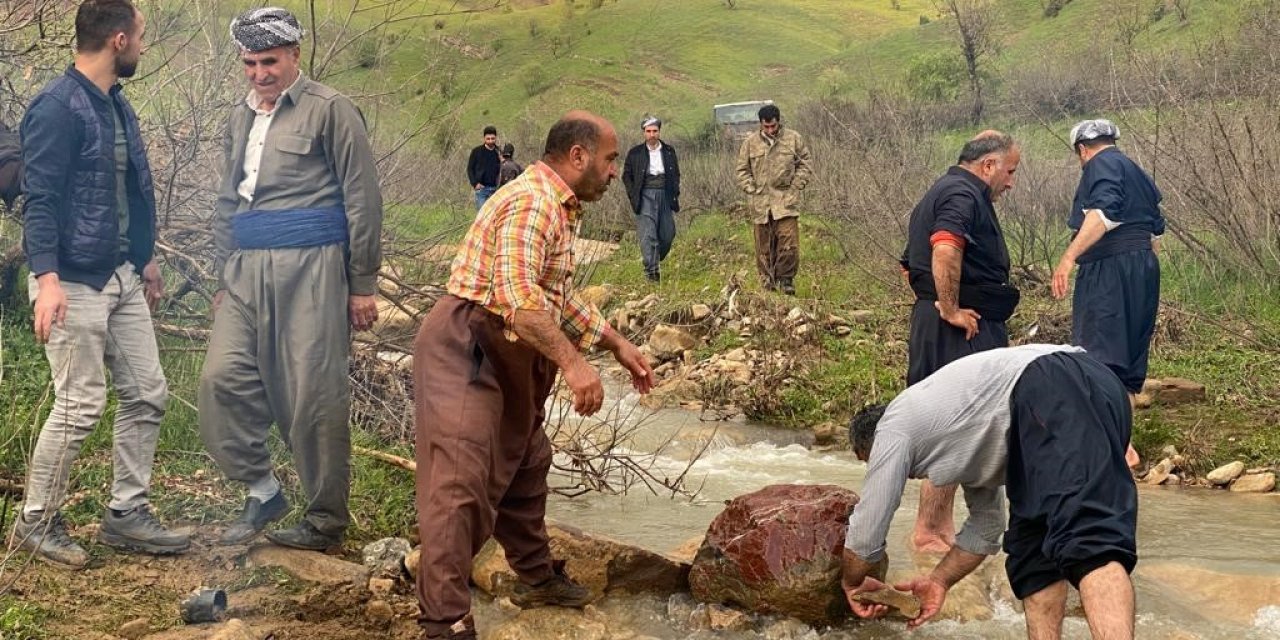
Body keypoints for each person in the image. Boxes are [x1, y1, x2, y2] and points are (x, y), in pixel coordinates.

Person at [412, 111, 655, 640]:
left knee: (526, 459)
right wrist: (573, 363)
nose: (615, 172)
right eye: (611, 159)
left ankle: (536, 577)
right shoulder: (533, 202)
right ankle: (444, 622)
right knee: (460, 483)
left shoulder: (560, 206)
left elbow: (554, 300)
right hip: (471, 342)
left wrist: (616, 343)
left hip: (506, 342)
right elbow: (519, 300)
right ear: (578, 156)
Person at [10, 0, 189, 568]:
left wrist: (147, 258)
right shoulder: (56, 107)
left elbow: (132, 190)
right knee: (81, 402)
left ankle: (126, 513)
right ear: (117, 40)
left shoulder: (116, 105)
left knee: (148, 392)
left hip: (122, 275)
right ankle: (35, 520)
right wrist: (47, 277)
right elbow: (39, 199)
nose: (142, 44)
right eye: (138, 35)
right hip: (72, 280)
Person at [199, 6, 383, 552]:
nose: (260, 74)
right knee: (219, 381)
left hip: (313, 265)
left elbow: (362, 198)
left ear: (294, 56)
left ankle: (326, 521)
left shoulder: (332, 110)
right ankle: (260, 488)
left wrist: (363, 282)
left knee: (313, 395)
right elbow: (227, 198)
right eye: (250, 63)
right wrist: (221, 273)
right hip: (245, 270)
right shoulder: (240, 116)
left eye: (270, 61)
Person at [841, 345, 1138, 639]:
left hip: (1056, 383)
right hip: (1063, 397)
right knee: (1034, 560)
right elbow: (986, 528)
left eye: (871, 461)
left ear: (869, 445)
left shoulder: (893, 424)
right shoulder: (957, 436)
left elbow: (869, 526)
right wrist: (939, 581)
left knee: (1088, 541)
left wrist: (852, 582)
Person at [899, 130, 1021, 554]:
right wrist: (949, 308)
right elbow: (945, 250)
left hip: (946, 321)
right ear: (988, 165)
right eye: (1009, 171)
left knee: (954, 423)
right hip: (958, 325)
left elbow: (906, 266)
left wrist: (934, 304)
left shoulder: (941, 190)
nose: (1011, 182)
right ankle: (931, 531)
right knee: (954, 425)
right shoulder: (962, 195)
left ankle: (938, 528)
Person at [1052, 119, 1164, 469]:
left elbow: (1103, 213)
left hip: (1109, 270)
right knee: (1127, 366)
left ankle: (1108, 449)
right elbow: (1155, 233)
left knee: (1098, 358)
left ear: (1082, 151)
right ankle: (1123, 443)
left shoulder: (1100, 164)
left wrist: (1068, 259)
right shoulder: (1138, 173)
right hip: (1143, 267)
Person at [735, 104, 811, 295]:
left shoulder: (793, 139)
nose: (770, 130)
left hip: (785, 200)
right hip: (760, 203)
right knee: (764, 245)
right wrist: (750, 187)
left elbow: (805, 162)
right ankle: (767, 282)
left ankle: (786, 281)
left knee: (788, 242)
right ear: (760, 124)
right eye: (766, 127)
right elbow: (742, 169)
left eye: (773, 126)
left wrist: (796, 186)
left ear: (778, 122)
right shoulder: (750, 143)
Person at [622, 116, 681, 283]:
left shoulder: (669, 151)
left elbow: (675, 173)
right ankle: (652, 272)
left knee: (668, 234)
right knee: (648, 235)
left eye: (655, 131)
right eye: (648, 131)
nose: (652, 134)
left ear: (659, 132)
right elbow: (627, 176)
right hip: (645, 194)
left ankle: (654, 258)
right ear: (644, 133)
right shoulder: (635, 153)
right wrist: (634, 195)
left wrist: (675, 191)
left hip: (665, 193)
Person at [466, 125, 501, 210]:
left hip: (496, 190)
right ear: (484, 138)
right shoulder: (476, 152)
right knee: (482, 217)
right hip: (482, 190)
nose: (490, 141)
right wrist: (475, 184)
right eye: (488, 139)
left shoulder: (499, 152)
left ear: (496, 138)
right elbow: (470, 169)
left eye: (492, 138)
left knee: (495, 217)